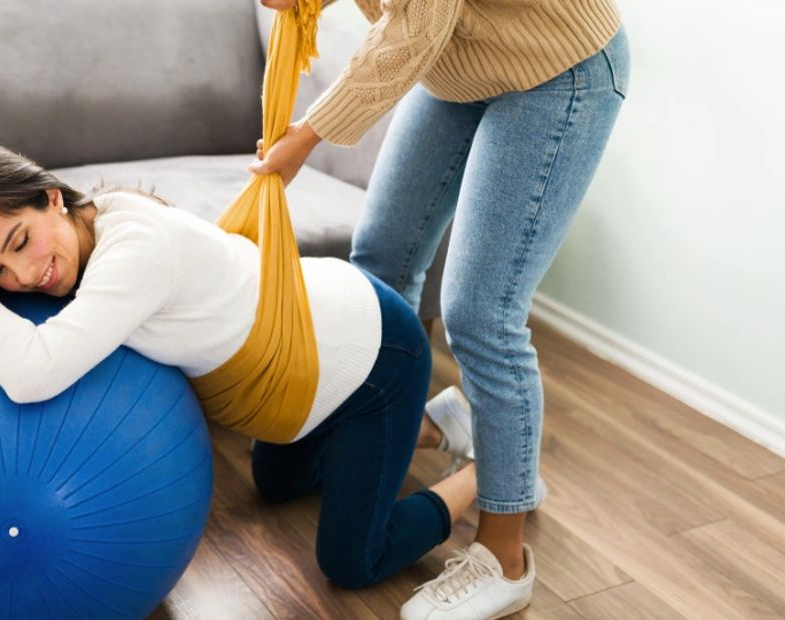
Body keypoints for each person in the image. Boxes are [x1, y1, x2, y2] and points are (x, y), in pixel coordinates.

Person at [0, 139, 480, 590]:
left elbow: (31, 375)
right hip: (303, 366)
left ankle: (487, 475)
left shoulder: (135, 250)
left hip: (376, 355)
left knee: (353, 561)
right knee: (278, 484)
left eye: (20, 243)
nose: (23, 276)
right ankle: (431, 427)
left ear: (51, 196)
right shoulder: (82, 227)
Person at [251, 0, 629, 616]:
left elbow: (416, 25)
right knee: (379, 266)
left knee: (482, 315)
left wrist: (310, 133)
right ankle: (434, 427)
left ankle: (505, 562)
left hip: (555, 67)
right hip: (457, 63)